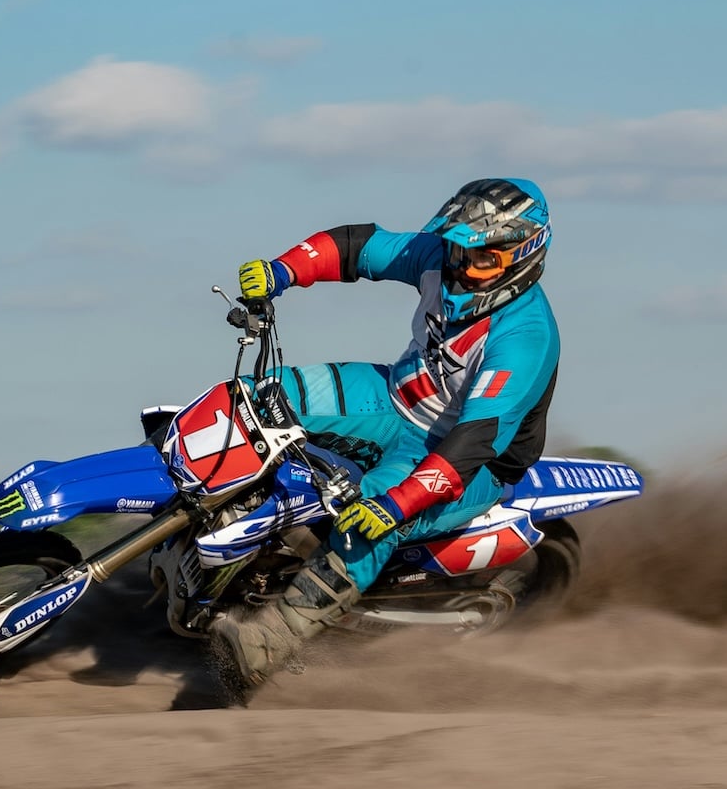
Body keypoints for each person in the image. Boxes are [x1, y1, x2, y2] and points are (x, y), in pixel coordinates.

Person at [210, 178, 561, 685]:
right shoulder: (438, 255)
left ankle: (268, 644)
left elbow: (474, 441)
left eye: (482, 259)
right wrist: (281, 270)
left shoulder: (525, 336)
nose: (462, 266)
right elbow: (356, 247)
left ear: (523, 256)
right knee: (257, 396)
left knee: (367, 513)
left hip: (466, 455)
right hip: (395, 397)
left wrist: (398, 503)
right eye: (458, 250)